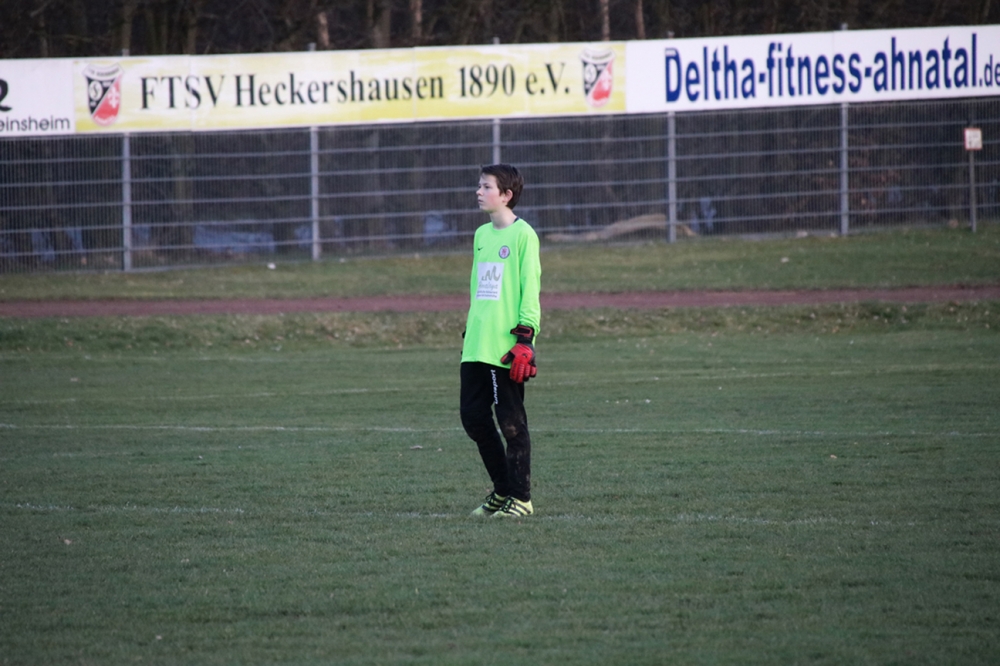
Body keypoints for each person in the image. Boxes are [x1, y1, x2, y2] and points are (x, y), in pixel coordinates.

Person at [461, 164, 541, 518]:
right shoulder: (481, 235)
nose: (479, 192)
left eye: (486, 187)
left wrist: (526, 336)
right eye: (479, 186)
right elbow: (479, 291)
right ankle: (503, 490)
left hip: (505, 348)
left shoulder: (524, 235)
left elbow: (530, 289)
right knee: (473, 419)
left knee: (511, 423)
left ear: (506, 195)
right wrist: (471, 329)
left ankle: (521, 498)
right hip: (476, 344)